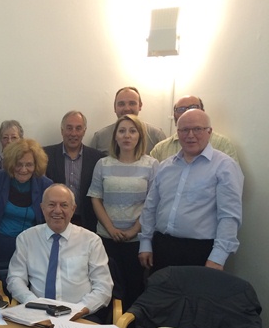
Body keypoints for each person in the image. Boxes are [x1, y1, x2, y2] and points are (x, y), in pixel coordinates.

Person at [138, 109, 244, 274]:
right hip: (162, 247)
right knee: (161, 297)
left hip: (201, 251)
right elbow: (151, 207)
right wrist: (145, 242)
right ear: (178, 133)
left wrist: (218, 257)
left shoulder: (224, 166)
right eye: (184, 130)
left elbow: (229, 216)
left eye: (197, 129)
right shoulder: (165, 166)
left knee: (197, 299)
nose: (190, 135)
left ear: (209, 132)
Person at [7, 184, 112, 320]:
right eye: (51, 205)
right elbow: (15, 278)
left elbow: (103, 287)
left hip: (80, 317)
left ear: (73, 209)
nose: (57, 210)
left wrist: (78, 310)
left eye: (64, 205)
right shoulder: (26, 238)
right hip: (37, 314)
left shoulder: (91, 241)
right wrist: (33, 302)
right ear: (42, 208)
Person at [87, 115, 159, 310]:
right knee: (105, 286)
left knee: (133, 289)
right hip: (106, 238)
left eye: (132, 131)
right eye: (122, 131)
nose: (127, 135)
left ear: (139, 136)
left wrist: (134, 230)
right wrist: (110, 229)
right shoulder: (103, 164)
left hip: (136, 240)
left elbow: (152, 203)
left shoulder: (151, 165)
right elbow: (96, 197)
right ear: (115, 137)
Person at [0, 139, 52, 276]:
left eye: (29, 165)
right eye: (19, 164)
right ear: (11, 163)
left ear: (36, 165)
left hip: (31, 251)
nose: (23, 170)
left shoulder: (45, 186)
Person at [43, 111, 105, 232]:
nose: (73, 133)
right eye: (69, 128)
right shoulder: (45, 155)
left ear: (84, 131)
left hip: (86, 222)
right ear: (62, 131)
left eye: (78, 128)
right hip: (54, 220)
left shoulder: (98, 159)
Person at [150, 95, 239, 163]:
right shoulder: (160, 149)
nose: (187, 112)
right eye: (181, 109)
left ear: (203, 112)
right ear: (174, 116)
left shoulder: (222, 144)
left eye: (193, 107)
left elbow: (232, 182)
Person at [89, 87, 166, 155]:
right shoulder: (100, 137)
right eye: (121, 104)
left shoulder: (156, 136)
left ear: (140, 106)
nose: (126, 108)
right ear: (114, 108)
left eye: (132, 103)